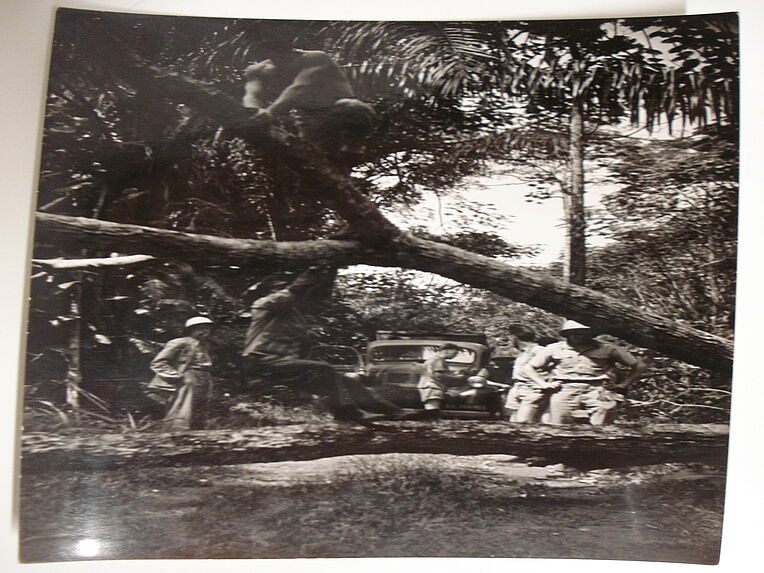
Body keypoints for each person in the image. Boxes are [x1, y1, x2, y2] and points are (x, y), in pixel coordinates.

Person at [240, 265, 402, 423]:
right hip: (260, 360)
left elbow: (318, 293)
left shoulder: (295, 314)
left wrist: (332, 270)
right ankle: (346, 413)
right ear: (271, 291)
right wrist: (316, 268)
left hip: (277, 363)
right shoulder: (263, 305)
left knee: (345, 382)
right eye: (278, 289)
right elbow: (295, 291)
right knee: (323, 369)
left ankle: (393, 411)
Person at [242, 43, 376, 167]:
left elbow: (299, 88)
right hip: (309, 118)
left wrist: (269, 112)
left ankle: (354, 147)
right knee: (318, 161)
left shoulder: (315, 57)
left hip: (340, 110)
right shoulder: (257, 70)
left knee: (353, 107)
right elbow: (252, 94)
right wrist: (253, 113)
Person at [523, 320, 647, 425]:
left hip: (598, 389)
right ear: (567, 334)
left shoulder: (607, 348)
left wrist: (623, 384)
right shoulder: (554, 348)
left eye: (584, 333)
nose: (579, 336)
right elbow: (529, 368)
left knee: (602, 425)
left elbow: (639, 366)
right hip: (564, 389)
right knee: (559, 426)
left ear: (591, 334)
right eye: (575, 333)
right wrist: (543, 384)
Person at [145, 316, 214, 431]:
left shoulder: (204, 345)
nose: (204, 332)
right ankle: (176, 432)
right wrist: (176, 376)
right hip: (188, 377)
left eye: (207, 329)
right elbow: (158, 362)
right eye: (199, 329)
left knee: (201, 406)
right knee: (183, 406)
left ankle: (198, 435)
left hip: (204, 377)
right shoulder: (179, 342)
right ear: (190, 330)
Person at [503, 325, 556, 423]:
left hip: (532, 389)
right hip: (518, 387)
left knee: (523, 421)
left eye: (509, 337)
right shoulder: (522, 352)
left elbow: (554, 369)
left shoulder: (539, 350)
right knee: (513, 421)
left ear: (514, 337)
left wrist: (545, 384)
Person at [417, 343, 470, 419]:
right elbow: (438, 375)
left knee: (432, 410)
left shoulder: (434, 359)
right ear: (446, 351)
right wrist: (456, 377)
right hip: (433, 387)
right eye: (455, 353)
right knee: (432, 410)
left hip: (430, 386)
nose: (455, 355)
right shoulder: (438, 360)